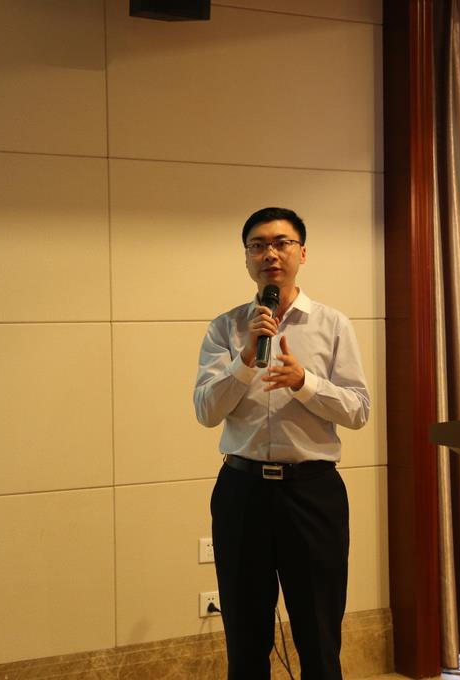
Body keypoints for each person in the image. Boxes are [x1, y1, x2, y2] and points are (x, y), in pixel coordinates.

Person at [193, 207, 371, 680]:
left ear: (302, 253)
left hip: (312, 492)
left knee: (318, 635)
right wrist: (245, 360)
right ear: (246, 258)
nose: (270, 253)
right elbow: (206, 411)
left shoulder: (333, 325)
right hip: (242, 492)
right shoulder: (226, 328)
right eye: (258, 245)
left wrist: (305, 382)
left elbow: (358, 410)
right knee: (245, 637)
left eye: (281, 243)